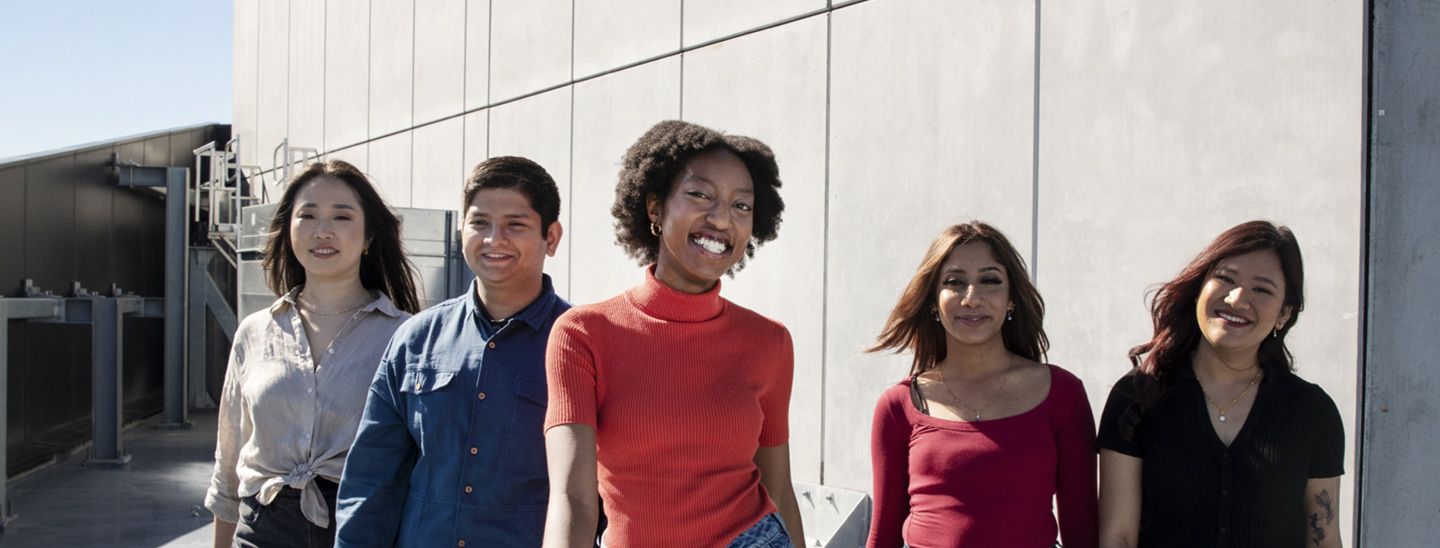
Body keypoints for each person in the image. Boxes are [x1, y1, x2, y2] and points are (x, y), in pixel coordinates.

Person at [542, 120, 805, 548]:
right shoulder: (583, 333)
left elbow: (779, 489)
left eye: (742, 205)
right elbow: (572, 498)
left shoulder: (770, 342)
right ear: (654, 208)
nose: (721, 218)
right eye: (700, 195)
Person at [334, 156, 569, 546]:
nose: (494, 239)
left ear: (552, 237)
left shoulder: (578, 344)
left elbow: (604, 489)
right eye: (479, 223)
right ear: (462, 229)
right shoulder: (416, 340)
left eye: (515, 224)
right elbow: (372, 479)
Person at [205, 160, 422, 548]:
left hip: (363, 530)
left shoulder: (407, 335)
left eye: (341, 216)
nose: (323, 231)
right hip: (262, 529)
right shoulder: (255, 332)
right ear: (289, 230)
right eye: (308, 215)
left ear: (369, 235)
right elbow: (229, 463)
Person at [1097, 220, 1345, 548]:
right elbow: (1118, 537)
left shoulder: (1313, 411)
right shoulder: (1138, 395)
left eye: (1262, 289)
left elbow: (1323, 540)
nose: (1237, 298)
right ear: (1200, 286)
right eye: (1226, 278)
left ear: (1284, 313)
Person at [866, 221, 1098, 548]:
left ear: (1011, 299)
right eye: (955, 282)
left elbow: (1082, 531)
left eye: (989, 280)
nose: (972, 298)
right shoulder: (898, 405)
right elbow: (882, 536)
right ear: (933, 301)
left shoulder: (1063, 394)